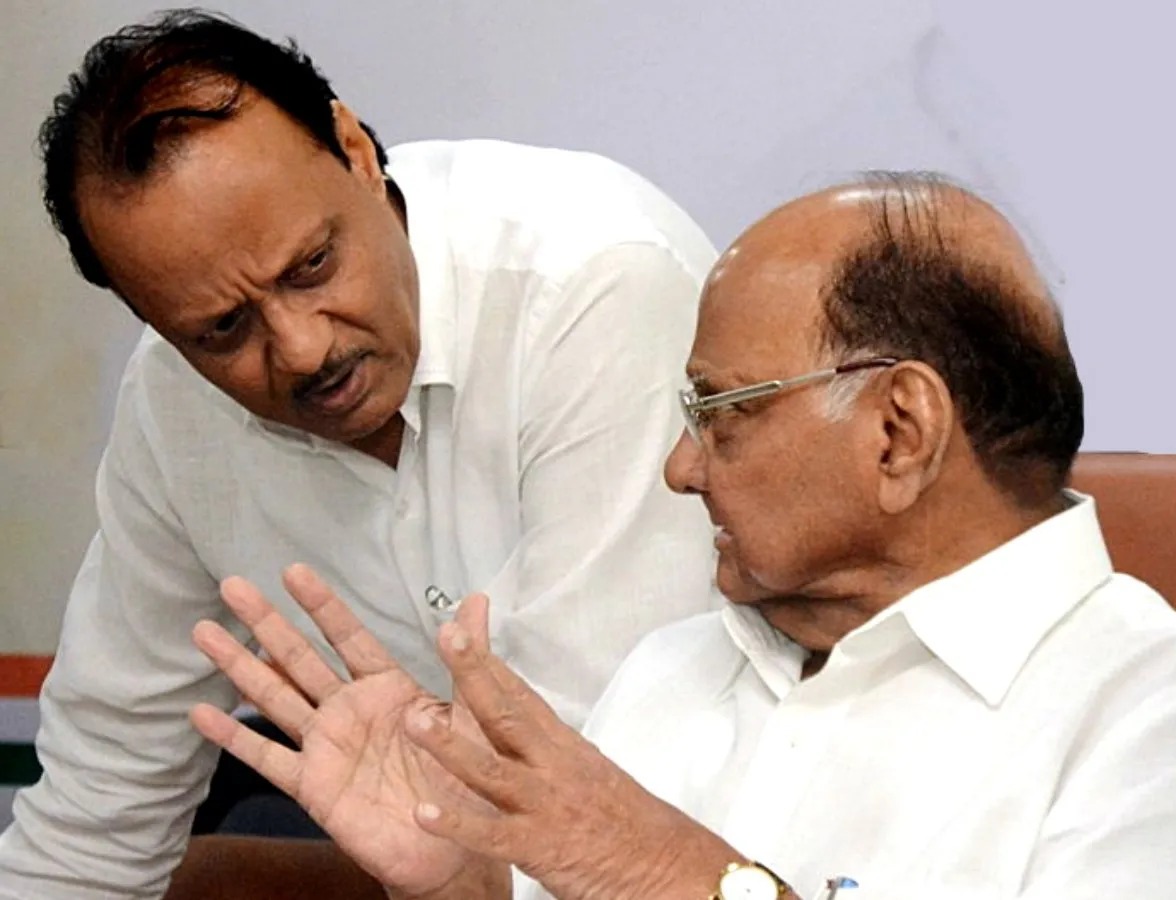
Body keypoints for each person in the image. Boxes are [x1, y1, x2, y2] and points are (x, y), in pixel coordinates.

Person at [188, 174, 1176, 899]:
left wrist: (676, 877)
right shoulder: (672, 668)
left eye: (724, 412)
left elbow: (644, 873)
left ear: (899, 432)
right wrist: (470, 879)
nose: (680, 468)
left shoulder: (1156, 716)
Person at [0, 9, 722, 898]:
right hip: (440, 848)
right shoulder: (173, 399)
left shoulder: (593, 285)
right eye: (224, 329)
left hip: (693, 847)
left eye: (311, 266)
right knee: (209, 879)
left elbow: (612, 785)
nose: (304, 349)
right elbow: (93, 819)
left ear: (355, 150)